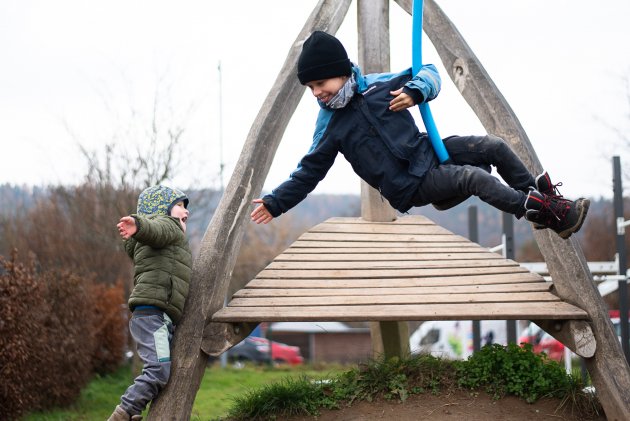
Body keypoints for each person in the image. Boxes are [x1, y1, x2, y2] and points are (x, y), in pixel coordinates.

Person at [251, 31, 589, 239]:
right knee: (474, 178)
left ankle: (542, 200)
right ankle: (539, 211)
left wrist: (416, 91)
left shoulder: (380, 86)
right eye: (310, 88)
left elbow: (429, 72)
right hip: (410, 185)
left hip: (430, 152)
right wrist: (276, 202)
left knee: (494, 147)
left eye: (319, 83)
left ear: (340, 72)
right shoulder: (330, 126)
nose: (316, 93)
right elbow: (309, 172)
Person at [108, 185, 192, 421]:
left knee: (160, 368)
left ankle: (133, 412)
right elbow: (156, 229)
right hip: (153, 316)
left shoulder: (157, 242)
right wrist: (140, 224)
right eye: (179, 205)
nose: (186, 211)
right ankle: (124, 412)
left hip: (155, 316)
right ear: (161, 210)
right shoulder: (168, 226)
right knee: (158, 370)